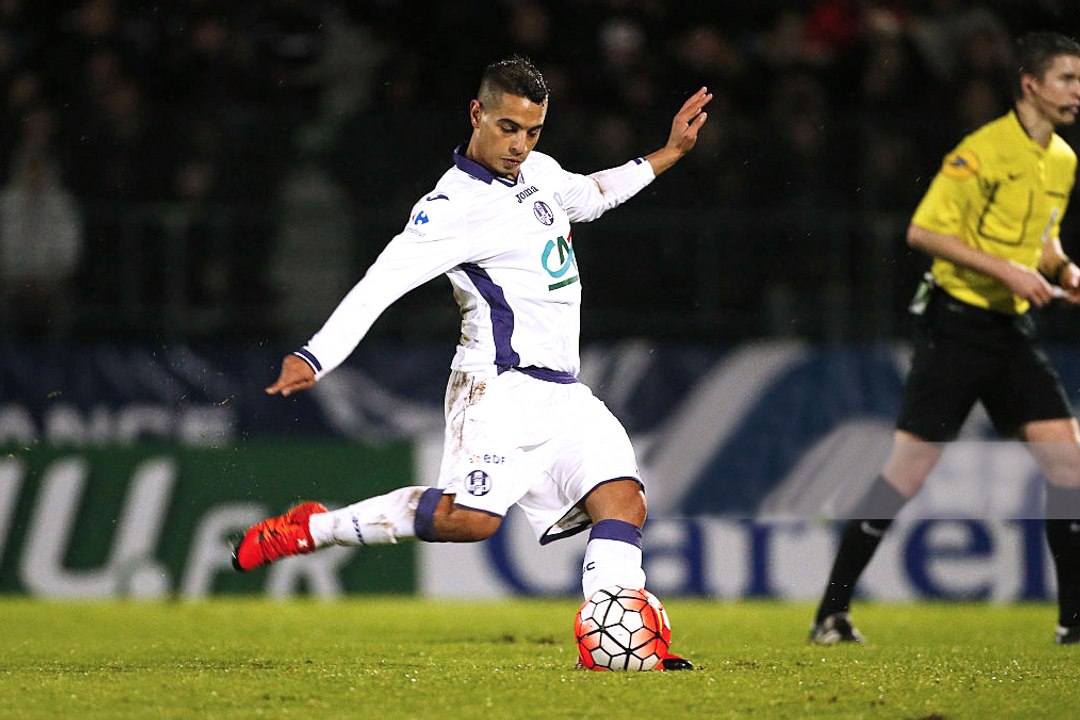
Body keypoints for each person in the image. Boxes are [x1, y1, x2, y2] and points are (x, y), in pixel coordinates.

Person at [232, 55, 710, 669]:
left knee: (622, 498)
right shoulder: (450, 209)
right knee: (471, 522)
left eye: (533, 131)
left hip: (564, 394)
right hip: (497, 391)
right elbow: (381, 284)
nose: (520, 144)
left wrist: (668, 152)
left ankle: (615, 644)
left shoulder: (537, 172)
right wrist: (315, 355)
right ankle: (314, 528)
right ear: (477, 113)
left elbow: (590, 195)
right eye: (508, 127)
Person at [809, 31, 1080, 646]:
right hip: (955, 326)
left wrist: (1063, 270)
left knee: (1069, 464)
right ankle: (830, 613)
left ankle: (1073, 622)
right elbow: (924, 232)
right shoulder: (980, 152)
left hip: (1010, 328)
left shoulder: (1062, 158)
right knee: (907, 474)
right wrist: (1008, 270)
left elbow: (1043, 240)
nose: (1077, 92)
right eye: (1067, 79)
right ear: (1031, 85)